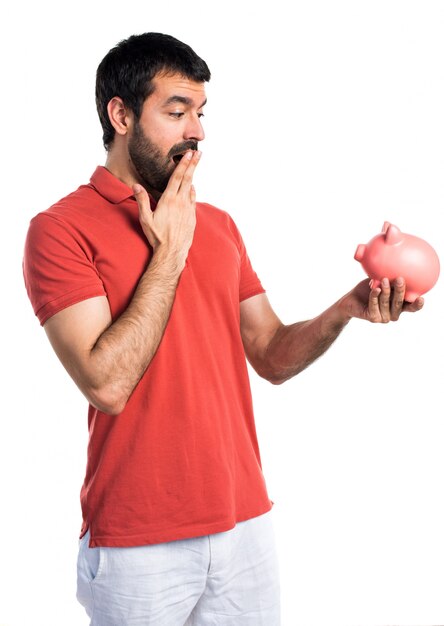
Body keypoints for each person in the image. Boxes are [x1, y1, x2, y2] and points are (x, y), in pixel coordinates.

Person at [22, 32, 423, 626]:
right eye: (176, 111)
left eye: (201, 113)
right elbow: (106, 384)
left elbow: (270, 354)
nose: (198, 132)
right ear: (121, 114)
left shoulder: (218, 224)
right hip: (139, 538)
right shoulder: (60, 230)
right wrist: (169, 253)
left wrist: (347, 307)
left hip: (245, 526)